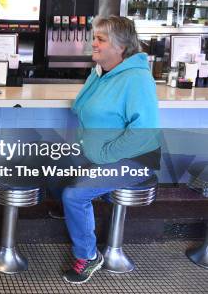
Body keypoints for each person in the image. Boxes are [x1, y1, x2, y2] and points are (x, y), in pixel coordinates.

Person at [61, 16, 160, 284]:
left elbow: (145, 131)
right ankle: (85, 221)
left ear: (121, 46)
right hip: (103, 155)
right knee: (55, 170)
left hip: (134, 159)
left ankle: (88, 256)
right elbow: (79, 107)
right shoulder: (103, 73)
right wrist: (97, 73)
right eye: (94, 37)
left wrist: (103, 155)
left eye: (101, 39)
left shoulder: (136, 80)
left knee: (73, 195)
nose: (93, 43)